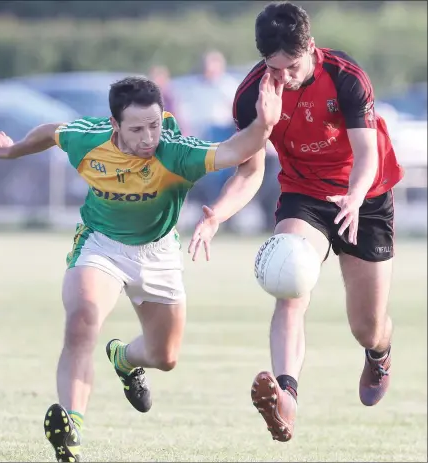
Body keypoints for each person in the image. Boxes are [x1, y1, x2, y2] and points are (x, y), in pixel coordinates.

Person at [0, 74, 283, 462]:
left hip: (158, 253)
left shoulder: (175, 152)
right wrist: (14, 150)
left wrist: (265, 125)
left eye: (154, 125)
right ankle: (71, 431)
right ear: (114, 126)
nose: (148, 137)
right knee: (82, 320)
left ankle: (124, 359)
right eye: (137, 129)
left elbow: (235, 151)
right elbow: (52, 132)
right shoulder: (88, 140)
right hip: (100, 245)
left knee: (165, 356)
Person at [188, 1, 404, 443]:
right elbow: (250, 170)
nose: (282, 77)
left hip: (366, 194)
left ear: (309, 47)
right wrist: (218, 214)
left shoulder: (346, 77)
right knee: (290, 281)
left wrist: (356, 197)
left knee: (366, 325)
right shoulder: (253, 95)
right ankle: (286, 398)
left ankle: (379, 353)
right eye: (274, 68)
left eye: (291, 67)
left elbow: (366, 155)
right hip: (304, 196)